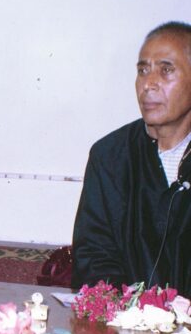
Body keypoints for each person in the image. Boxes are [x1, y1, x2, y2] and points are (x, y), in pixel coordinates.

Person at [72, 21, 191, 296]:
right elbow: (93, 256)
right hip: (125, 317)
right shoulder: (111, 157)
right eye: (142, 71)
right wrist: (131, 311)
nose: (148, 84)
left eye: (166, 70)